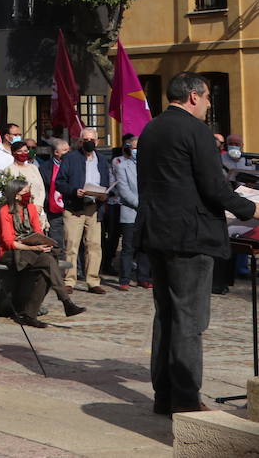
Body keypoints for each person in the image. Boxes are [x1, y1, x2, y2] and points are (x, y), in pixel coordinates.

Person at [137, 72, 257, 415]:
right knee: (190, 320)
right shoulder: (196, 131)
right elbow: (214, 188)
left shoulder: (151, 128)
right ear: (192, 96)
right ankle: (187, 401)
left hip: (157, 234)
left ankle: (164, 396)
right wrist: (253, 208)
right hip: (191, 237)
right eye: (206, 98)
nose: (207, 105)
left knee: (167, 316)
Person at [0, 178, 86, 327]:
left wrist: (43, 244)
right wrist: (33, 248)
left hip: (33, 250)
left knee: (46, 271)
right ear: (16, 195)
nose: (29, 194)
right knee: (49, 262)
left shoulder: (30, 209)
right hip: (12, 252)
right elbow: (8, 242)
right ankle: (65, 301)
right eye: (26, 192)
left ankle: (29, 315)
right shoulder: (5, 211)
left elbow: (38, 231)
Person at [56, 128, 112, 294]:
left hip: (94, 208)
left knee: (94, 245)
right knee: (71, 245)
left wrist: (105, 195)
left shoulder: (101, 160)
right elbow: (60, 182)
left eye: (92, 140)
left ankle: (93, 280)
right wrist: (74, 191)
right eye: (85, 139)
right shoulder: (71, 158)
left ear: (97, 142)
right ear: (80, 141)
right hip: (75, 208)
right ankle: (69, 280)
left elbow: (107, 182)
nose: (89, 142)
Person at [113, 134, 151, 291]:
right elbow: (123, 190)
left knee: (145, 246)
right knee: (128, 247)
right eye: (134, 148)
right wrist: (139, 204)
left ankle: (143, 277)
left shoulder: (150, 165)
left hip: (147, 211)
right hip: (131, 211)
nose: (137, 151)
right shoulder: (122, 166)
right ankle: (125, 279)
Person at [39, 138, 70, 249]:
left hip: (70, 208)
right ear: (56, 152)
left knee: (72, 242)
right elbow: (42, 188)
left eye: (68, 149)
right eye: (65, 150)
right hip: (53, 210)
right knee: (56, 241)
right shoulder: (44, 168)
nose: (68, 152)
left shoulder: (73, 165)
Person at [5, 140, 46, 210]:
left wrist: (39, 204)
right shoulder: (9, 169)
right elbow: (11, 192)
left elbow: (41, 188)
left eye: (25, 151)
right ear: (13, 153)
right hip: (21, 208)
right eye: (19, 151)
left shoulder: (33, 168)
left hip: (38, 207)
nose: (23, 153)